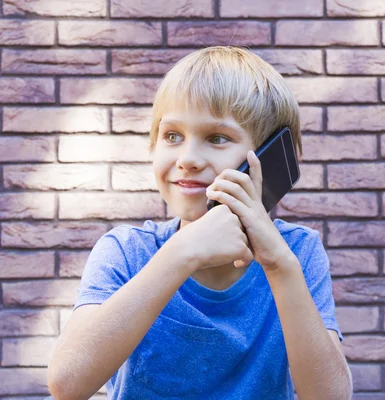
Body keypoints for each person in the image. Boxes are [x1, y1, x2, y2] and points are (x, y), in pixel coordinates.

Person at [47, 46, 352, 400]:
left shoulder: (297, 252)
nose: (187, 158)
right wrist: (182, 252)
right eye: (172, 136)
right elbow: (67, 385)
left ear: (269, 163)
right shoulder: (127, 251)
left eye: (217, 138)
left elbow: (331, 396)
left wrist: (280, 266)